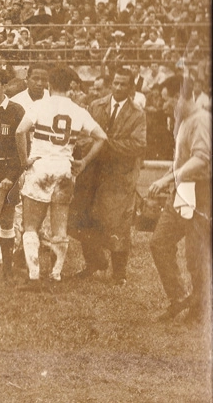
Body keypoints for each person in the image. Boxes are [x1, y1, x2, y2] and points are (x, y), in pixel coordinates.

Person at [15, 66, 107, 290]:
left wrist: (24, 160)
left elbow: (19, 132)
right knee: (59, 227)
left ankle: (34, 277)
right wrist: (83, 162)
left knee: (30, 226)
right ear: (70, 86)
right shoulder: (78, 110)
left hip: (41, 168)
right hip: (64, 171)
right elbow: (102, 137)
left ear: (49, 84)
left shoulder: (39, 106)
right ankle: (56, 274)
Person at [70, 67, 147, 285]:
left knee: (117, 223)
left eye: (123, 84)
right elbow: (84, 134)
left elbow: (138, 145)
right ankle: (94, 262)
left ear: (131, 87)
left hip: (119, 175)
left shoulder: (137, 114)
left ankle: (119, 273)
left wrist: (106, 145)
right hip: (93, 172)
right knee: (82, 216)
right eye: (116, 83)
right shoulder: (97, 105)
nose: (118, 87)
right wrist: (92, 148)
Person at [148, 74, 211, 324]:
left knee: (195, 254)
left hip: (202, 191)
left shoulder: (202, 120)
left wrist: (168, 180)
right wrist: (170, 177)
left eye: (169, 100)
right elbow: (181, 161)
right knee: (159, 243)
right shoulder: (183, 120)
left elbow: (201, 158)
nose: (165, 105)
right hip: (184, 190)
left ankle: (198, 310)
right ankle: (180, 298)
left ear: (182, 97)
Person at [0, 67, 25, 282]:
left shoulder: (15, 111)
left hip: (7, 171)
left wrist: (12, 176)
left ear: (4, 86)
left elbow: (21, 150)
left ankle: (8, 270)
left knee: (6, 220)